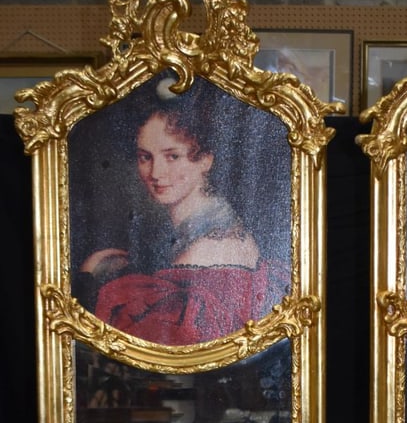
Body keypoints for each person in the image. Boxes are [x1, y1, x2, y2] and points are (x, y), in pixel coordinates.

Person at [77, 78, 290, 346]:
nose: (156, 173)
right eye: (146, 157)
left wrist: (91, 275)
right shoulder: (182, 233)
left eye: (172, 156)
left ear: (204, 160)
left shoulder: (214, 248)